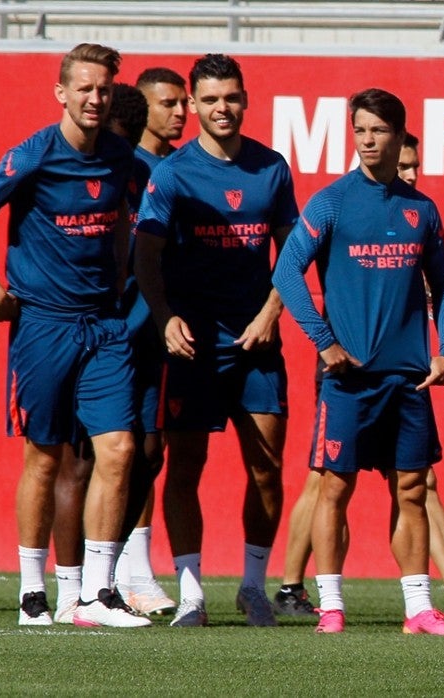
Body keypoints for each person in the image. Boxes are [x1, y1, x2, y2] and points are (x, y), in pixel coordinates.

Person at [0, 43, 150, 628]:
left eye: (103, 88)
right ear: (61, 93)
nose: (94, 97)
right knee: (43, 457)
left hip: (105, 326)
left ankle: (96, 594)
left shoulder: (121, 158)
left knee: (121, 450)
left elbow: (123, 228)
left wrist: (122, 276)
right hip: (45, 325)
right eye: (84, 87)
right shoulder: (35, 154)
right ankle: (35, 592)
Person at [273, 130, 444, 620]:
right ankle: (303, 590)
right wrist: (324, 341)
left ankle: (434, 597)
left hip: (403, 376)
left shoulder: (419, 212)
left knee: (413, 484)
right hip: (348, 371)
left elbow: (443, 284)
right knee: (328, 484)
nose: (408, 172)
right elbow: (287, 271)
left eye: (414, 165)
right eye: (401, 163)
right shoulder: (336, 203)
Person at [135, 54, 298, 628]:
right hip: (193, 345)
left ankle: (253, 587)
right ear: (194, 105)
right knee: (185, 466)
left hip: (257, 344)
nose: (220, 108)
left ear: (245, 100)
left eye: (230, 97)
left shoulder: (272, 167)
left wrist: (272, 312)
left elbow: (293, 255)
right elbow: (146, 255)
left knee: (267, 469)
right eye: (208, 100)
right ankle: (191, 593)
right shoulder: (173, 172)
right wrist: (164, 317)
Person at [48, 80, 166, 624]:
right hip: (85, 331)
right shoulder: (69, 169)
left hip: (141, 336)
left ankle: (107, 581)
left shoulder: (149, 179)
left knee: (141, 455)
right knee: (78, 460)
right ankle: (68, 590)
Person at [110, 67, 189, 617]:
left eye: (184, 101)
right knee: (100, 454)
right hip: (113, 327)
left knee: (150, 451)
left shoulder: (176, 170)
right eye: (169, 103)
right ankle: (97, 576)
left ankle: (131, 568)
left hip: (155, 332)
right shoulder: (121, 164)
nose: (181, 112)